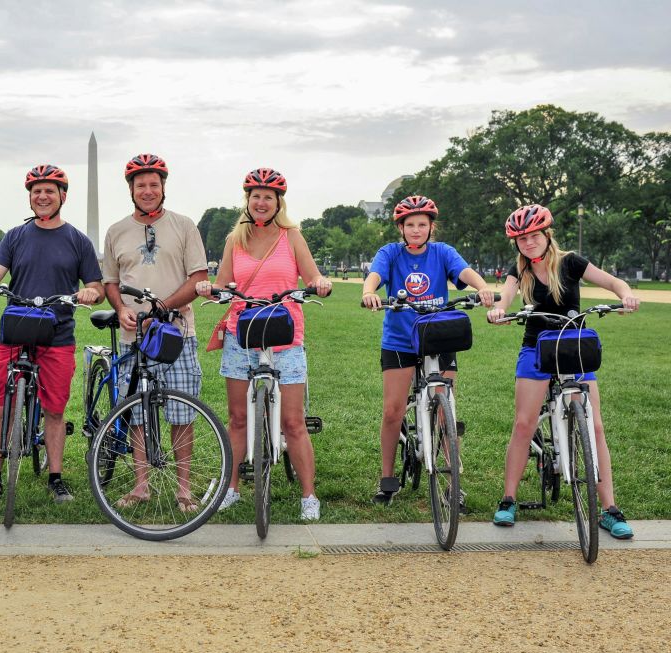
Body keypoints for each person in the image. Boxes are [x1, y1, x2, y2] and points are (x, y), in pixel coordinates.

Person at [487, 204, 640, 538]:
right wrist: (499, 310)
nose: (527, 243)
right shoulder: (519, 270)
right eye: (521, 239)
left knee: (595, 427)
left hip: (574, 347)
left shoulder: (571, 262)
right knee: (524, 423)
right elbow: (506, 297)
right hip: (536, 347)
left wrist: (626, 295)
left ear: (546, 234)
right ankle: (508, 500)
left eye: (533, 236)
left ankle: (610, 510)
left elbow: (612, 282)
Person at [197, 168, 332, 520]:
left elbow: (312, 273)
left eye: (267, 197)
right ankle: (231, 489)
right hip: (242, 333)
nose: (261, 202)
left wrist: (320, 282)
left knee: (293, 422)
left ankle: (308, 496)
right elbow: (223, 282)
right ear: (248, 201)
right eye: (255, 196)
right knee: (238, 418)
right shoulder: (235, 240)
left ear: (277, 203)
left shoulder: (291, 236)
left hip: (285, 334)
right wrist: (210, 288)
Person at [0, 165, 103, 504]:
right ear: (30, 197)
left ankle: (56, 477)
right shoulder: (15, 235)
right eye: (36, 191)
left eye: (49, 191)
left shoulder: (78, 240)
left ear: (63, 196)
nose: (42, 196)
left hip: (57, 332)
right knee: (5, 405)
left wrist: (90, 292)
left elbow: (95, 285)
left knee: (55, 410)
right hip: (17, 327)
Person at [361, 195, 494, 507]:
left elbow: (464, 272)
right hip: (399, 340)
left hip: (438, 336)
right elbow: (376, 276)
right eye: (410, 225)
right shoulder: (390, 253)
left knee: (447, 411)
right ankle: (387, 480)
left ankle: (453, 481)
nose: (416, 230)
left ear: (431, 227)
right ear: (402, 229)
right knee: (393, 410)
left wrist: (482, 286)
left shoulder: (442, 252)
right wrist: (369, 292)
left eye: (422, 224)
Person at [102, 153, 209, 510]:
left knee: (181, 414)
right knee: (137, 414)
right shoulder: (116, 231)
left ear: (163, 187)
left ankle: (183, 489)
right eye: (141, 185)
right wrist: (121, 310)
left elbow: (198, 279)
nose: (147, 191)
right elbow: (111, 281)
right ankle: (141, 485)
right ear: (131, 189)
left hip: (177, 335)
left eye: (153, 184)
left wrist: (160, 308)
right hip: (135, 338)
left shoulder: (184, 226)